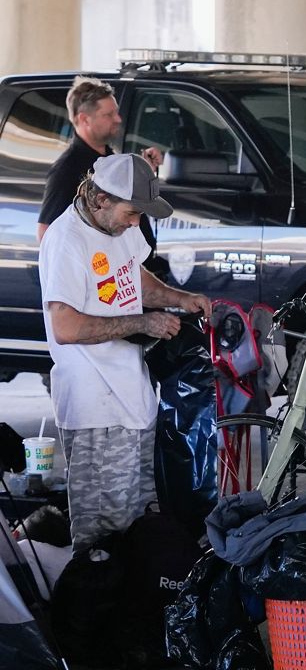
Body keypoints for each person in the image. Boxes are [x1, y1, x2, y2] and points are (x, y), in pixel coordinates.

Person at [39, 153, 211, 552]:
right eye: (132, 213)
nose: (136, 223)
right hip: (95, 410)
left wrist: (177, 298)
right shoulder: (65, 241)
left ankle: (136, 611)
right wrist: (142, 322)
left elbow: (133, 274)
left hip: (133, 399)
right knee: (104, 538)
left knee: (140, 523)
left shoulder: (118, 229)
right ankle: (101, 612)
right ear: (100, 200)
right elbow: (64, 327)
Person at [37, 77, 166, 272]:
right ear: (84, 119)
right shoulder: (67, 169)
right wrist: (94, 273)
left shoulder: (108, 158)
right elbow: (46, 233)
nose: (118, 119)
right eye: (109, 114)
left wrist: (144, 168)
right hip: (105, 285)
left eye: (116, 112)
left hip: (131, 280)